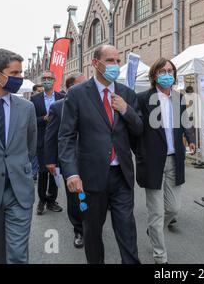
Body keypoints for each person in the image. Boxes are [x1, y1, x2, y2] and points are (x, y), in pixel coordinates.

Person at [59, 45, 143, 264]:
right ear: (95, 63)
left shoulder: (127, 94)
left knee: (127, 229)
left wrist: (126, 110)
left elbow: (139, 129)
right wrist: (71, 173)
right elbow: (66, 137)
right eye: (110, 60)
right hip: (90, 178)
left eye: (118, 60)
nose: (115, 65)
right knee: (93, 231)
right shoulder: (77, 94)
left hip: (121, 176)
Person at [0, 49, 37, 264]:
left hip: (19, 192)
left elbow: (31, 147)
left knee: (18, 255)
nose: (20, 78)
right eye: (15, 73)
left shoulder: (27, 108)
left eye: (21, 73)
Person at [136, 58, 196, 264]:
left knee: (173, 208)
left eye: (170, 71)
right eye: (163, 71)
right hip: (152, 161)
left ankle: (154, 230)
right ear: (154, 75)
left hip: (175, 159)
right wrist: (140, 152)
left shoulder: (178, 98)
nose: (167, 74)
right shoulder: (143, 98)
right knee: (156, 212)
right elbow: (135, 129)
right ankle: (160, 257)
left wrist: (191, 138)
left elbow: (186, 121)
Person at [44, 73, 86, 249]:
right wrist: (50, 160)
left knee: (89, 195)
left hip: (92, 160)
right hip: (70, 160)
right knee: (75, 197)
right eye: (82, 85)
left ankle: (90, 224)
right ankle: (79, 229)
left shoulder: (93, 104)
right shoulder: (57, 107)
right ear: (70, 88)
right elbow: (51, 136)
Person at [31, 71, 65, 215]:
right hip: (42, 141)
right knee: (43, 172)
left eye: (49, 78)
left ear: (54, 79)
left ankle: (52, 201)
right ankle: (42, 200)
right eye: (44, 78)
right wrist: (43, 119)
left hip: (58, 141)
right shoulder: (35, 99)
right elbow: (31, 121)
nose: (46, 81)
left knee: (55, 172)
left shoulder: (62, 97)